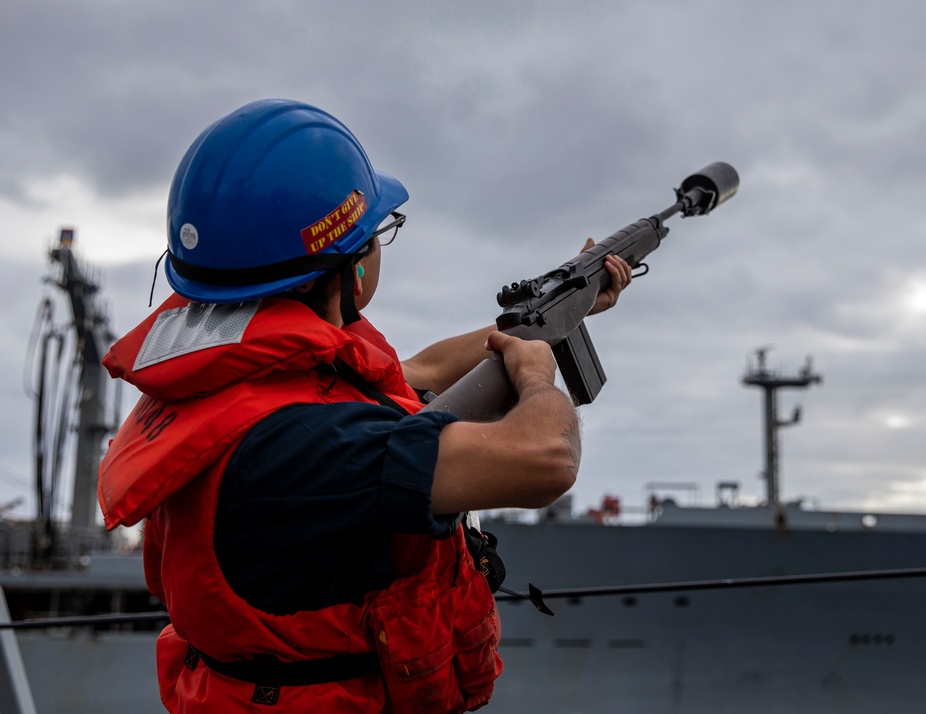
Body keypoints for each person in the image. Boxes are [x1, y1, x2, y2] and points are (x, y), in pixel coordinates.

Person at [97, 99, 631, 713]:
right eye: (376, 235)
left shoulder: (242, 391)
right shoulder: (315, 448)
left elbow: (420, 371)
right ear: (346, 268)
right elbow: (545, 459)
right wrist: (538, 380)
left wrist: (555, 313)